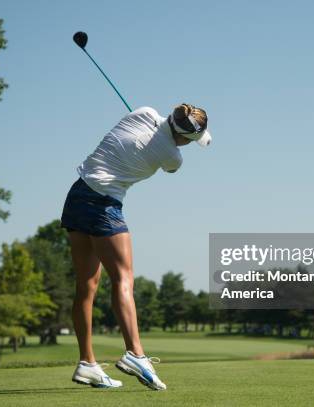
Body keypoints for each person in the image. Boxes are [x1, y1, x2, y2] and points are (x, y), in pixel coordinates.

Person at [61, 103, 211, 390]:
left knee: (86, 286)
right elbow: (170, 167)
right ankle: (136, 354)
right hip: (104, 204)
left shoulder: (142, 112)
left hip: (77, 194)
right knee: (123, 279)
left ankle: (87, 364)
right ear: (185, 139)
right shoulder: (172, 156)